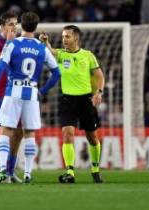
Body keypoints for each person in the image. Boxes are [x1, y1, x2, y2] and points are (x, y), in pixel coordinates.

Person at [0, 11, 61, 184]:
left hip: (13, 91)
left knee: (5, 132)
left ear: (21, 24)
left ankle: (2, 171)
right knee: (29, 134)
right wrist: (42, 91)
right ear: (36, 27)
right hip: (32, 93)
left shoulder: (13, 44)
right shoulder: (41, 47)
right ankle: (28, 174)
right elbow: (57, 74)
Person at [39, 25, 105, 184]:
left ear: (76, 38)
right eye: (63, 37)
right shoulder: (61, 55)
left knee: (92, 137)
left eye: (67, 36)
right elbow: (52, 52)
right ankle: (70, 171)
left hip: (85, 100)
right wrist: (46, 42)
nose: (64, 40)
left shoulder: (88, 55)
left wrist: (99, 92)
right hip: (67, 100)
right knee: (67, 134)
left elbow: (99, 76)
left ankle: (95, 169)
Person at [0, 11, 24, 183]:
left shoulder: (21, 42)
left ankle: (10, 170)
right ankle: (2, 169)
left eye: (16, 24)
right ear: (2, 26)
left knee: (19, 133)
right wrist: (9, 42)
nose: (14, 27)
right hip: (0, 96)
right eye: (10, 24)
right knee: (3, 133)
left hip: (17, 94)